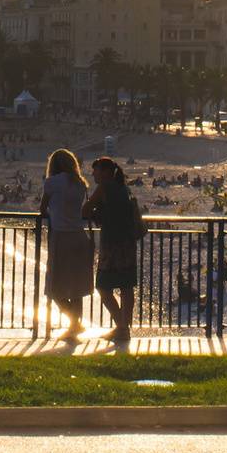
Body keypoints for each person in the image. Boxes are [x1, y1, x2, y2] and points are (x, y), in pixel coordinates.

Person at [84, 156, 144, 351]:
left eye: (96, 170)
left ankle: (121, 326)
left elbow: (85, 210)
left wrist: (94, 211)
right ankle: (123, 329)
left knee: (103, 286)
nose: (93, 174)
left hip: (111, 244)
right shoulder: (123, 188)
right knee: (126, 286)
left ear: (106, 172)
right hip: (127, 242)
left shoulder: (104, 188)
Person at [40, 148, 95, 342]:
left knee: (54, 285)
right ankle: (74, 325)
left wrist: (54, 212)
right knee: (77, 286)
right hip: (79, 237)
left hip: (61, 236)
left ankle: (73, 321)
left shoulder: (52, 183)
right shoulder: (80, 184)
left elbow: (42, 208)